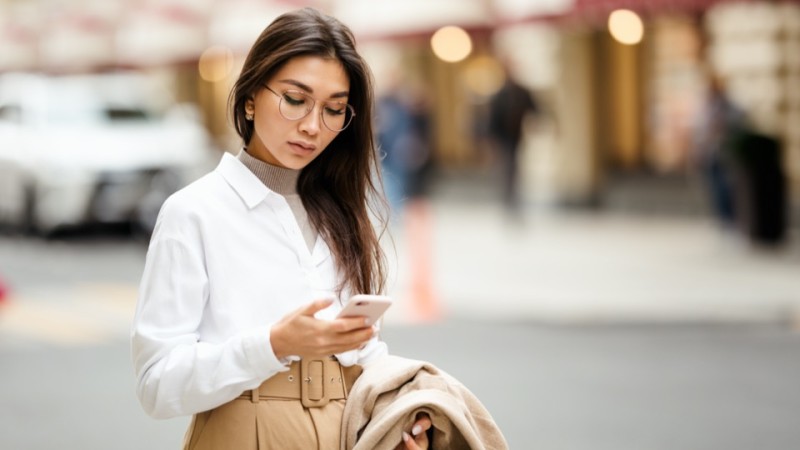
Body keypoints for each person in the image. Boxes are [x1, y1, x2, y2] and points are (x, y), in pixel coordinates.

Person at [130, 8, 431, 450]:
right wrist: (272, 345)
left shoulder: (340, 212)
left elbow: (363, 354)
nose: (312, 126)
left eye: (334, 110)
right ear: (251, 96)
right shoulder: (193, 212)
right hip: (241, 432)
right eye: (295, 99)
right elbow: (156, 385)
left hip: (346, 433)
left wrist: (399, 415)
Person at [487, 65, 538, 218]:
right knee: (508, 168)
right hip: (503, 137)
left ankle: (513, 199)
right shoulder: (499, 95)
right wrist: (492, 141)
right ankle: (509, 200)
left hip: (516, 136)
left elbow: (534, 109)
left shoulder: (521, 92)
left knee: (513, 168)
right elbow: (492, 120)